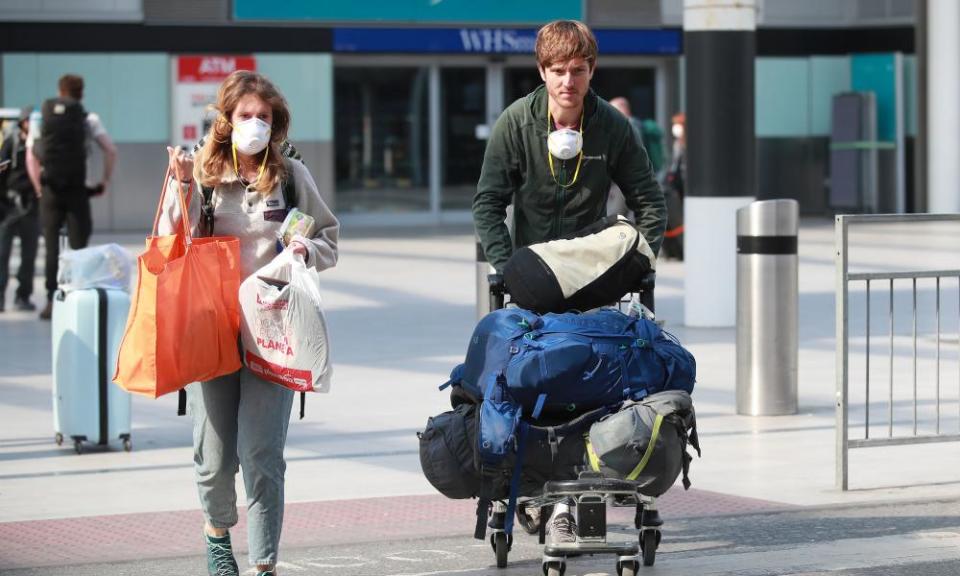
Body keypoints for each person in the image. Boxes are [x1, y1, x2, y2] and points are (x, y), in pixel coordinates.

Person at [472, 20, 666, 543]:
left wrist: (638, 259)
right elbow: (488, 202)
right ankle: (537, 494)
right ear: (542, 71)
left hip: (593, 282)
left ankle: (575, 493)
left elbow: (649, 200)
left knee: (590, 387)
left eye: (577, 70)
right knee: (534, 387)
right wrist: (508, 266)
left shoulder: (611, 127)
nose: (567, 81)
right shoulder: (516, 123)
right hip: (533, 282)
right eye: (557, 71)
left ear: (591, 71)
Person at [162, 70, 339, 576]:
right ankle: (218, 540)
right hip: (211, 329)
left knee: (262, 455)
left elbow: (328, 236)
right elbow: (170, 240)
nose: (255, 124)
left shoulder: (290, 175)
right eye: (246, 116)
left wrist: (307, 248)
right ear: (227, 120)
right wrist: (179, 188)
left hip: (274, 333)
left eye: (264, 117)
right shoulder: (201, 173)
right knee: (215, 457)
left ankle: (264, 564)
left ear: (275, 123)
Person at [26, 74, 118, 319]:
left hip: (50, 191)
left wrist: (38, 187)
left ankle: (50, 300)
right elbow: (110, 150)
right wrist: (104, 181)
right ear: (81, 93)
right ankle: (77, 297)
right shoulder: (88, 118)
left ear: (60, 90)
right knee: (78, 248)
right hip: (78, 190)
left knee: (51, 248)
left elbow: (32, 158)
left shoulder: (40, 117)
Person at [0, 106, 39, 312]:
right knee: (2, 253)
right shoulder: (11, 142)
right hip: (10, 206)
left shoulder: (40, 144)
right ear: (23, 122)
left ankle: (23, 295)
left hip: (31, 205)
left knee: (29, 255)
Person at [661, 112, 686, 260]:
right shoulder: (678, 143)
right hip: (674, 187)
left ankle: (682, 249)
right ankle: (673, 250)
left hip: (683, 188)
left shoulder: (687, 144)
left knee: (680, 220)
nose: (675, 128)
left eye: (678, 125)